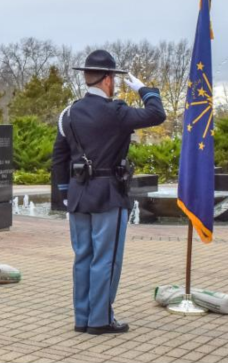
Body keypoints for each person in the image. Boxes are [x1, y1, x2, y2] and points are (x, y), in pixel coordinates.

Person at [52, 49, 166, 335]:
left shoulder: (69, 113)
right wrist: (143, 89)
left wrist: (65, 194)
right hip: (109, 195)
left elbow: (59, 156)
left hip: (78, 195)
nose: (114, 83)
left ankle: (82, 318)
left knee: (83, 257)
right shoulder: (116, 112)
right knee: (106, 258)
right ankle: (100, 319)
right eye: (113, 78)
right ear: (106, 80)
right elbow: (157, 114)